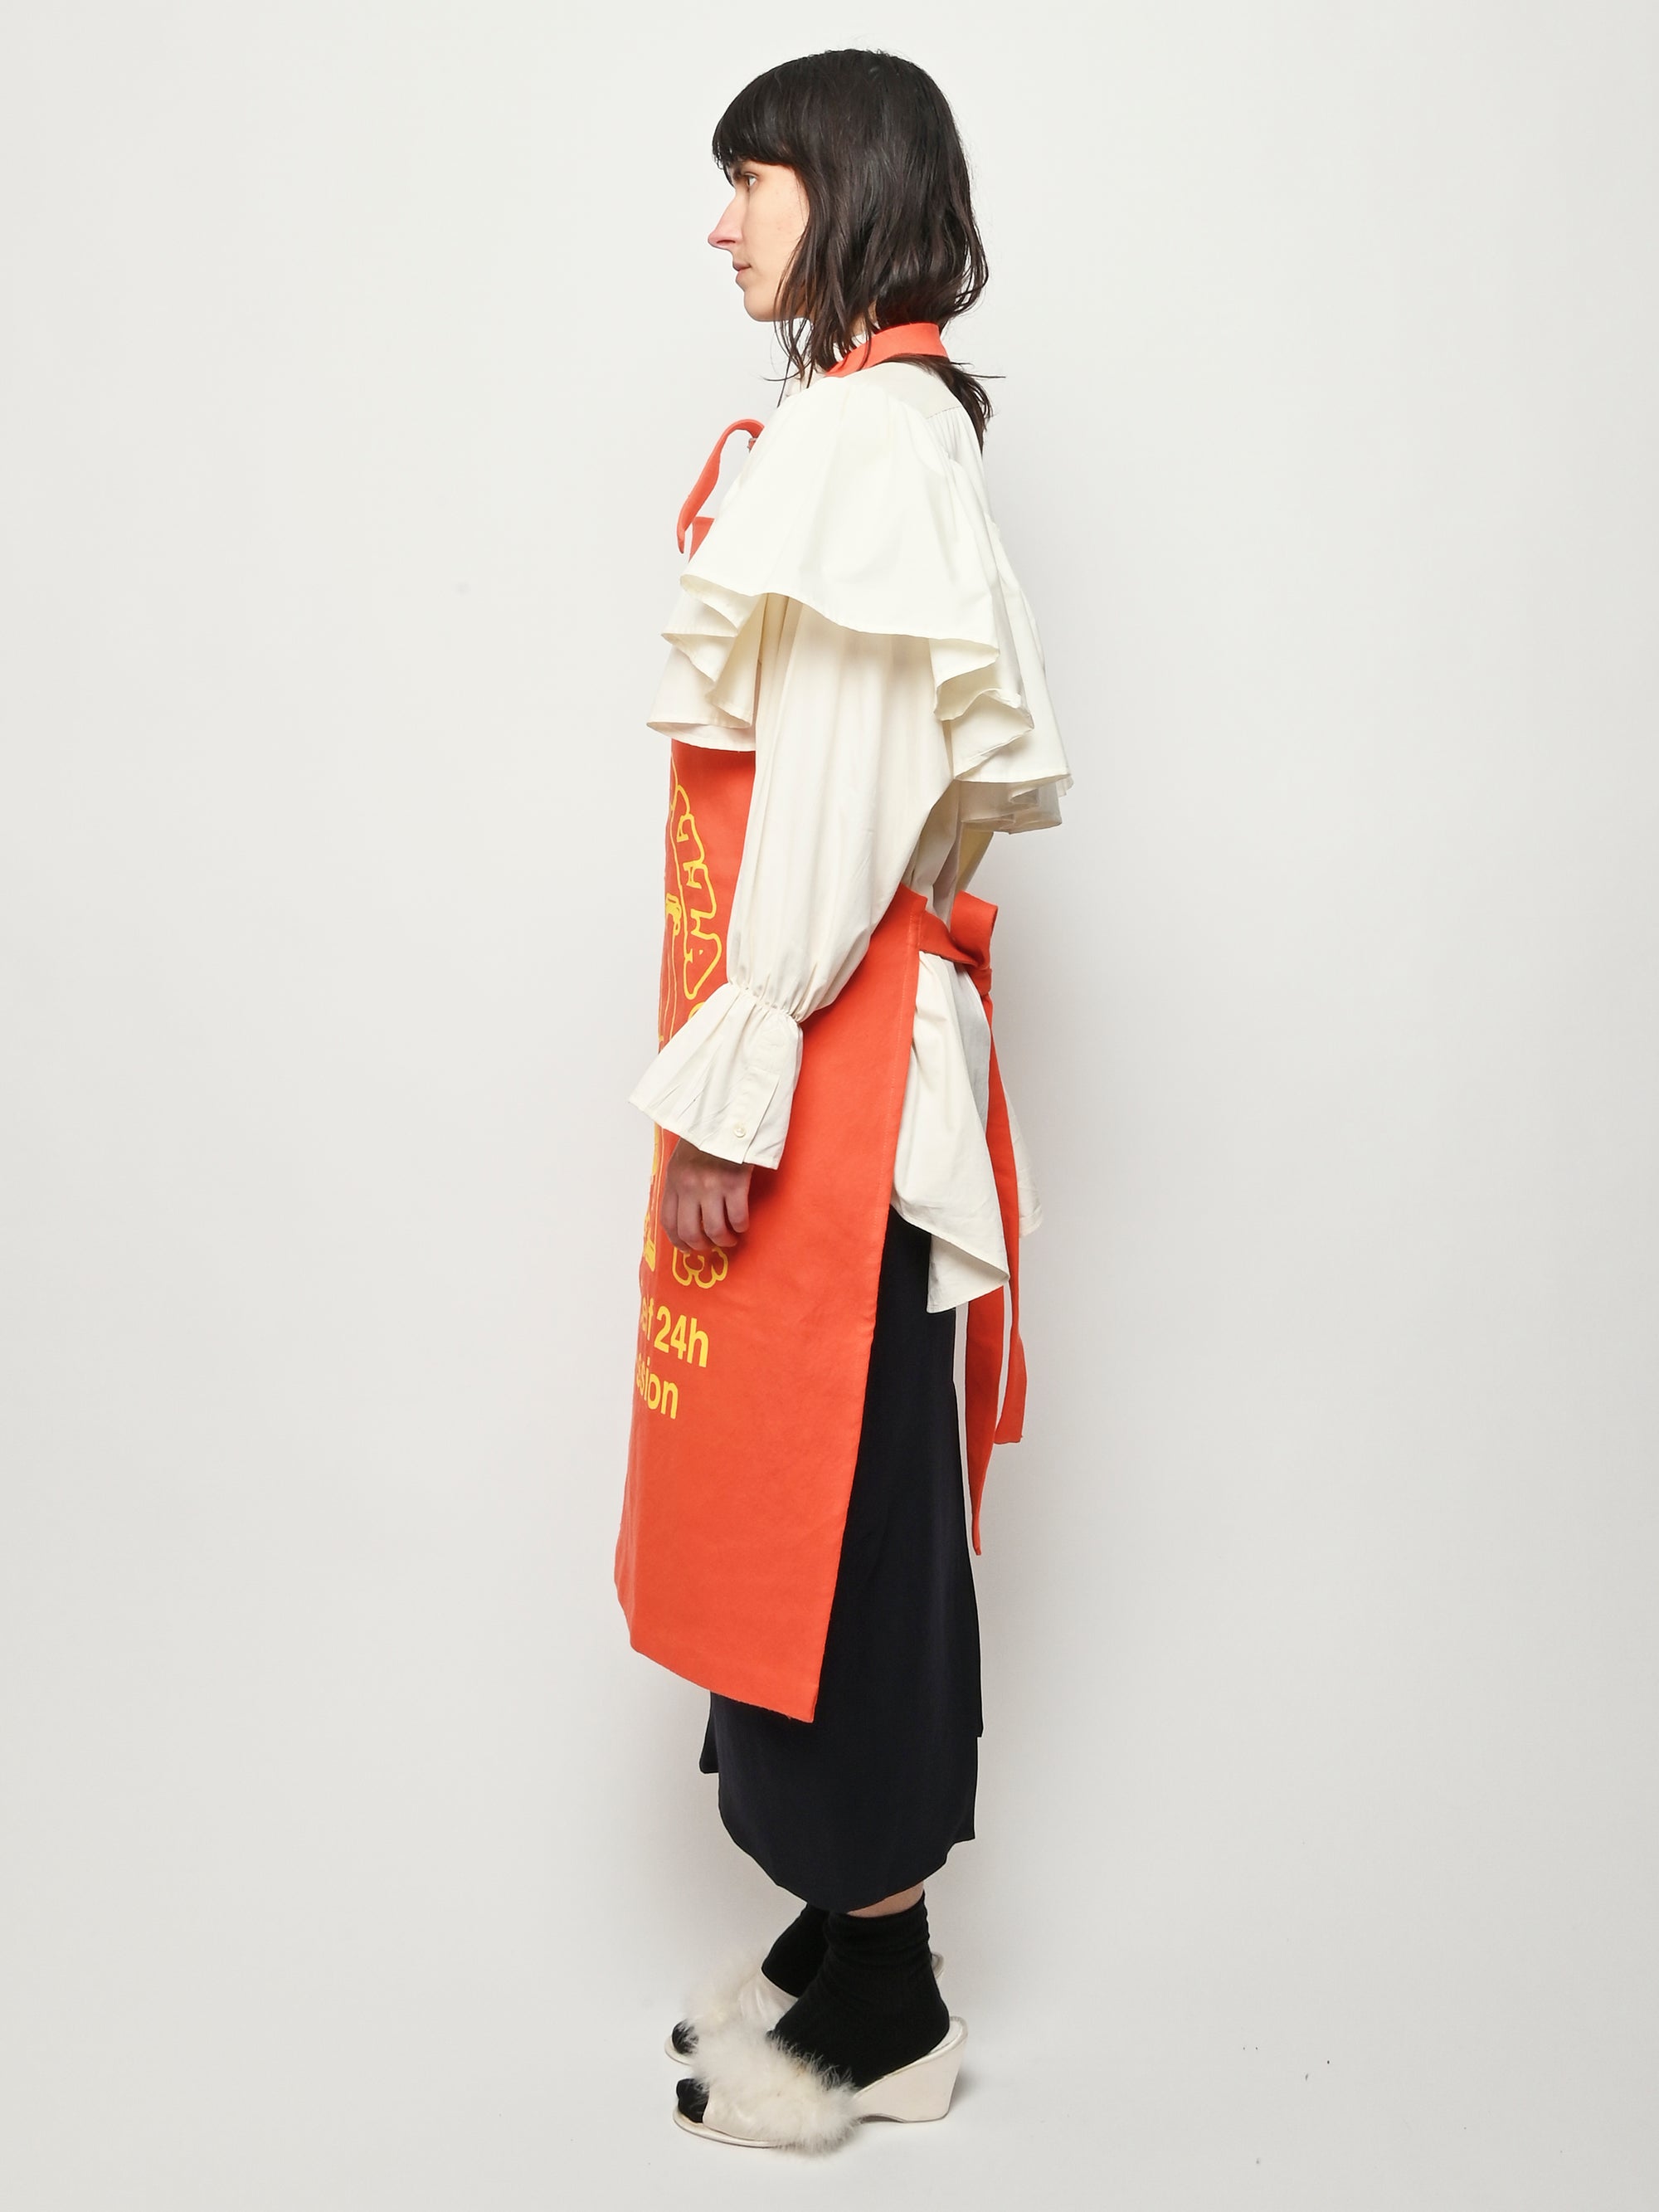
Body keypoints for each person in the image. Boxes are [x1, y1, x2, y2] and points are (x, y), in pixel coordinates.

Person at [614, 48, 1069, 2151]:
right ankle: (829, 1924)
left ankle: (888, 1999)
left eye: (756, 181)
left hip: (836, 1059)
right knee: (802, 1489)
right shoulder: (876, 427)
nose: (723, 223)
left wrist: (735, 1084)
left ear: (853, 185)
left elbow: (839, 798)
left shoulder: (871, 441)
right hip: (835, 1046)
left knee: (848, 1516)